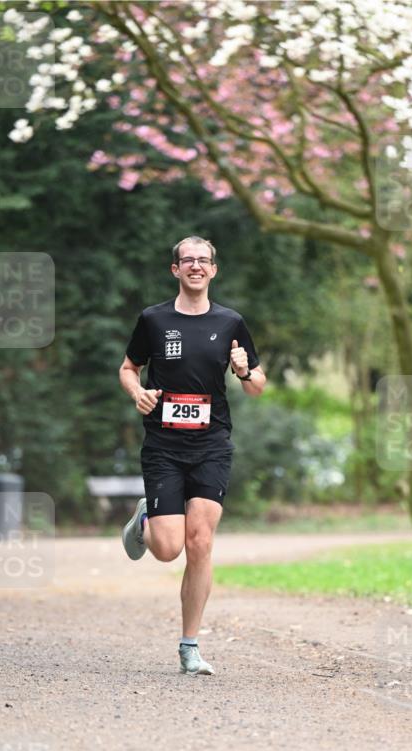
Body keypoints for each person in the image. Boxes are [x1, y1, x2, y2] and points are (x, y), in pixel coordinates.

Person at [119, 236, 266, 676]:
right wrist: (137, 393)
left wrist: (242, 370)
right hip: (163, 445)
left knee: (200, 543)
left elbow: (257, 385)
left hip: (211, 444)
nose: (196, 267)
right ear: (176, 270)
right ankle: (148, 519)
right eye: (189, 261)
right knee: (168, 549)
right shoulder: (154, 319)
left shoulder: (231, 322)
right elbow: (129, 368)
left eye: (204, 261)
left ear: (214, 270)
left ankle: (190, 646)